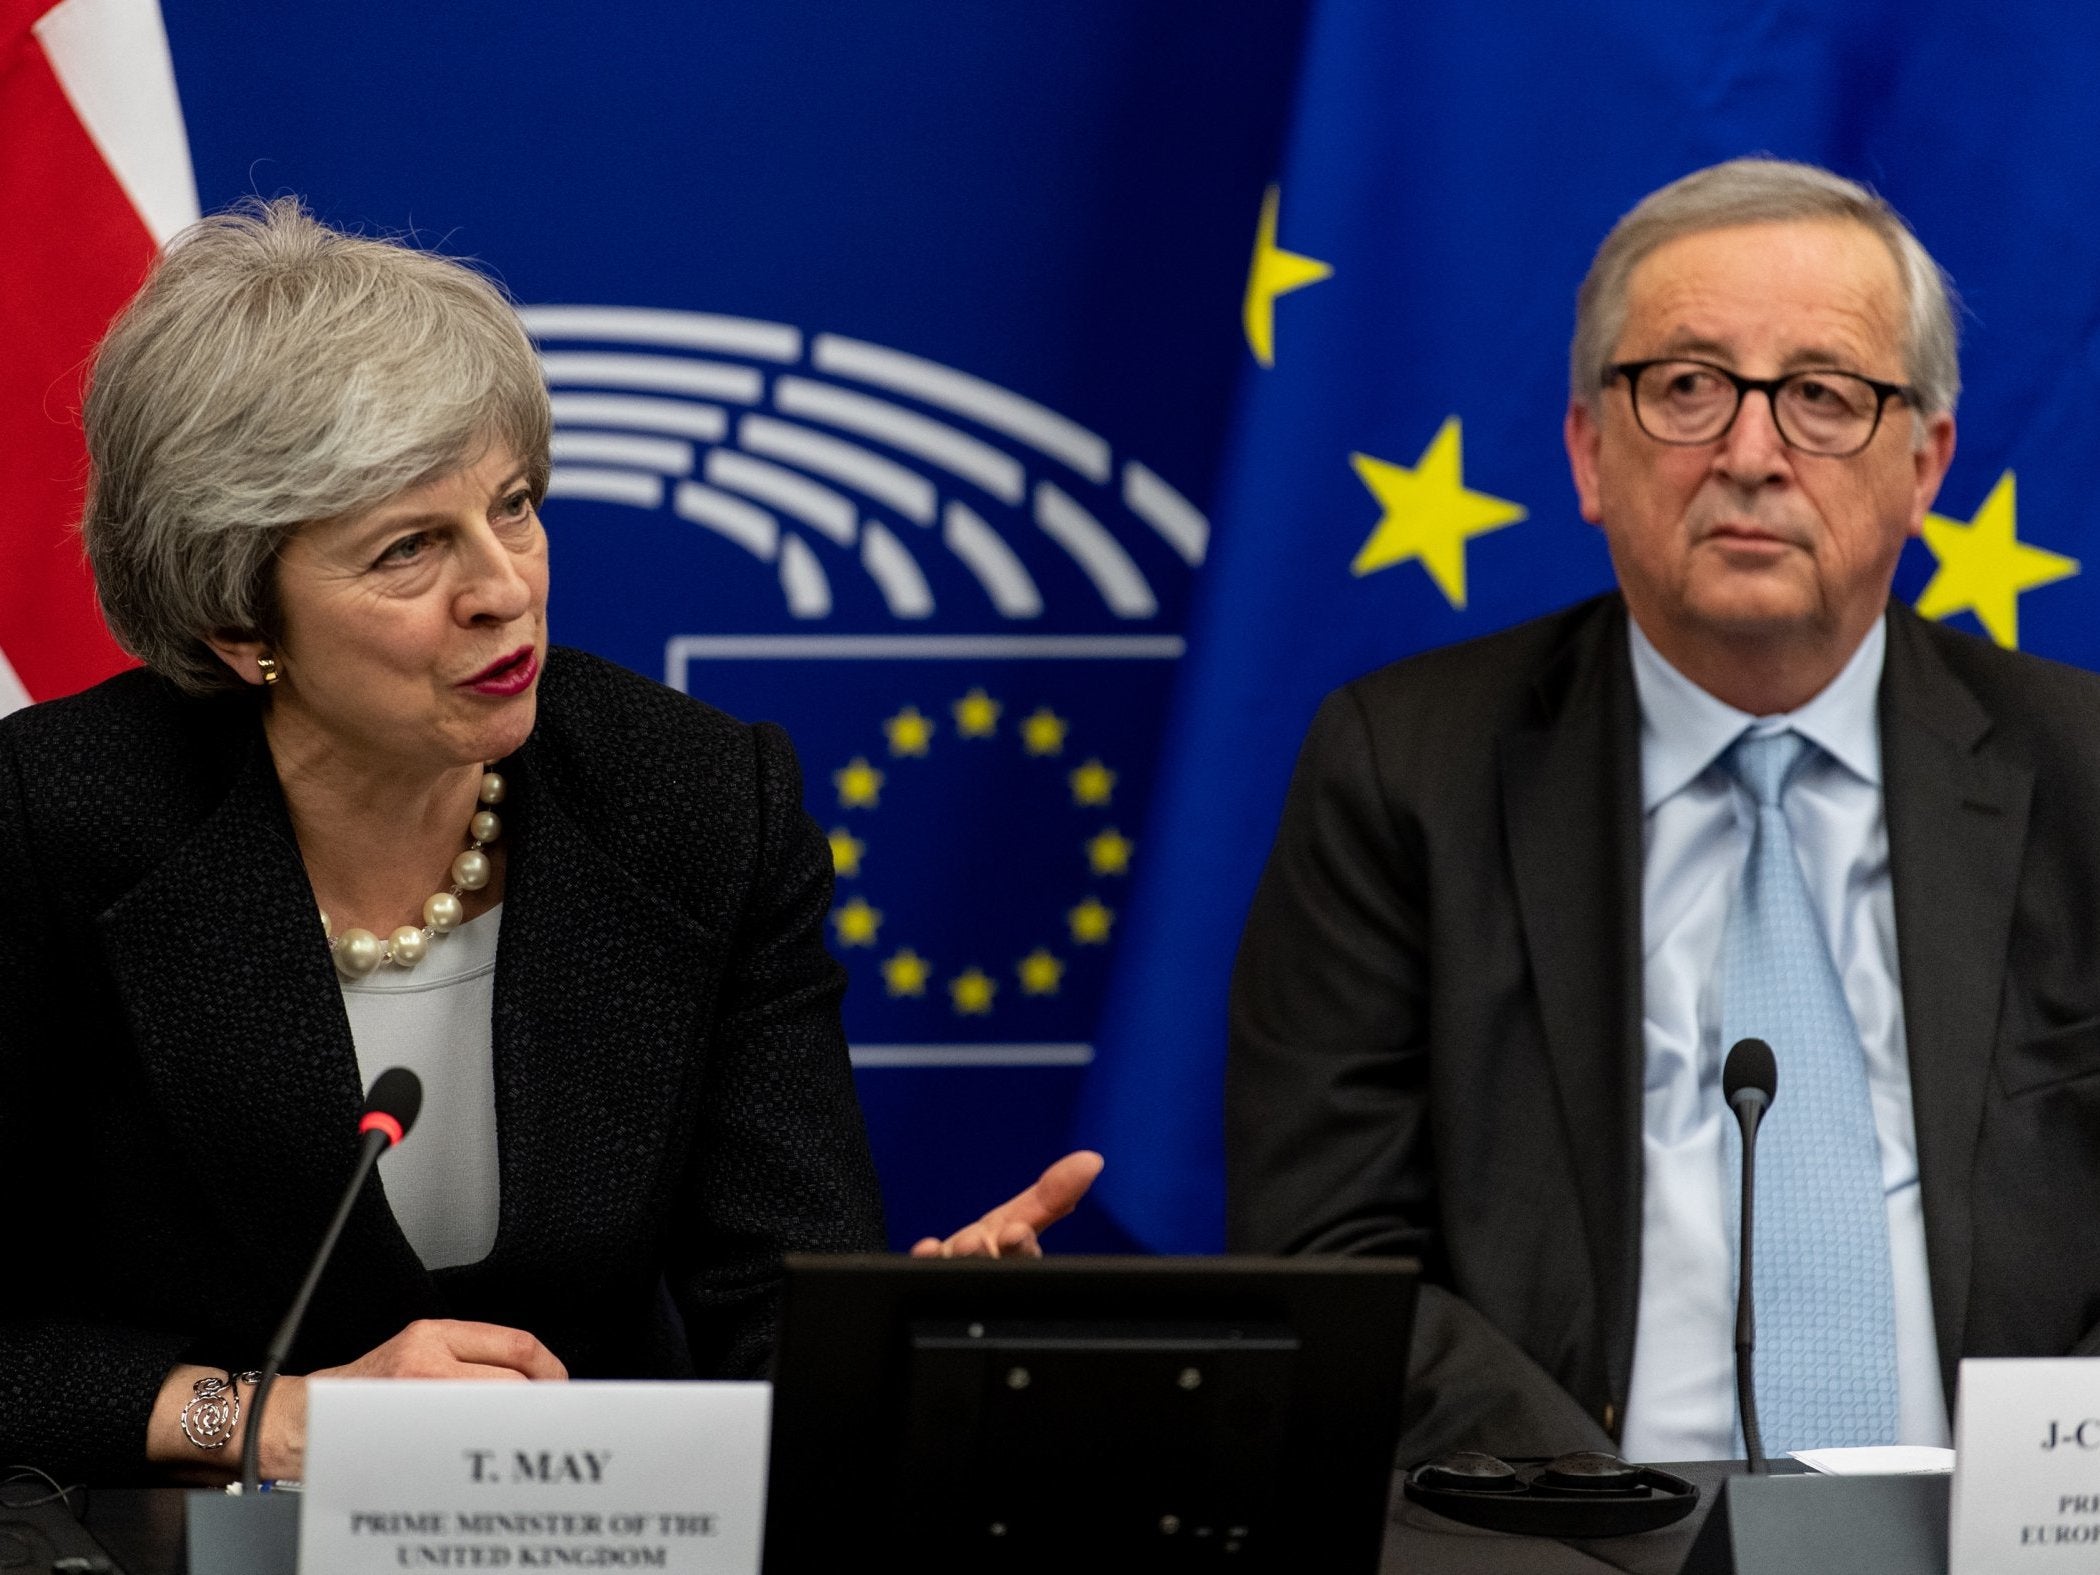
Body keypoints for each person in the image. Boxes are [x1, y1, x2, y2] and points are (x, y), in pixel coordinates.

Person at [0, 199, 1100, 1484]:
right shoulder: (53, 824)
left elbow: (775, 1303)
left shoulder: (694, 801)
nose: (504, 586)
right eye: (411, 549)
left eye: (512, 506)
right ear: (242, 622)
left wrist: (890, 1352)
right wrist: (274, 1419)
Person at [1227, 158, 2100, 1464]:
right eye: (1687, 387)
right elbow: (1332, 1254)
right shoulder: (1404, 768)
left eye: (1822, 396)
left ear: (1925, 463)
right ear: (1589, 449)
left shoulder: (2081, 769)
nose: (1750, 454)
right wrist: (1611, 1529)